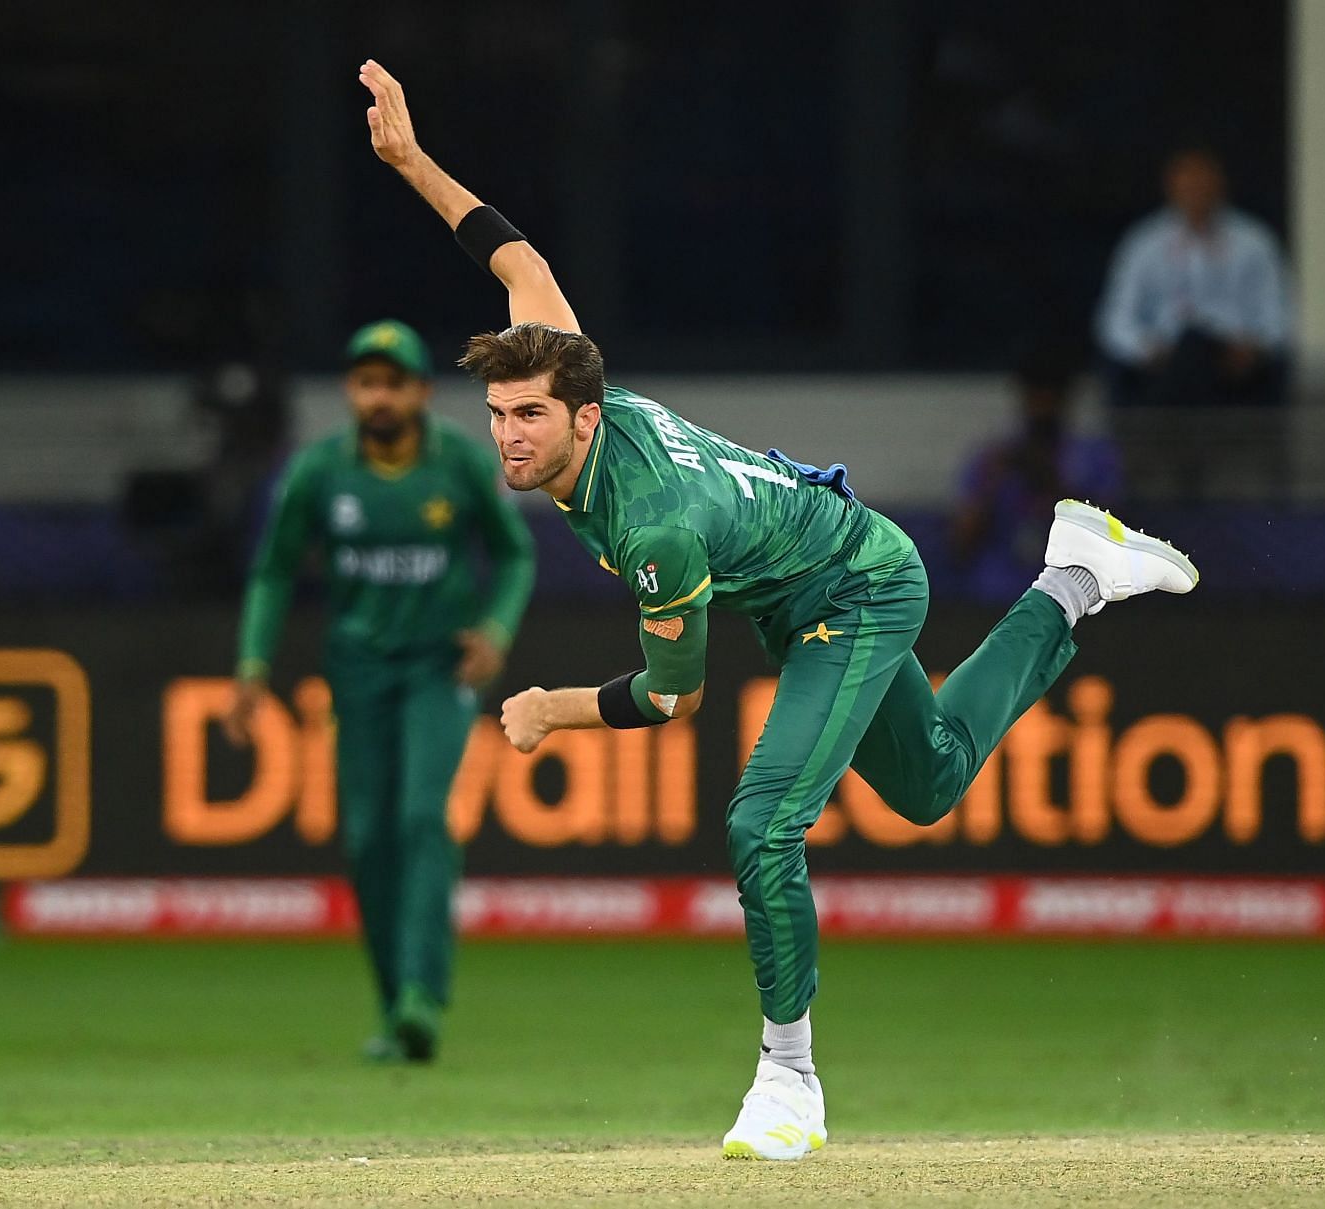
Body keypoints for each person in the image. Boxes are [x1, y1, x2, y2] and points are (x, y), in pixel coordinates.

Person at [361, 60, 1198, 1158]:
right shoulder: (571, 373)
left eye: (528, 416)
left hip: (856, 586)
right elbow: (515, 256)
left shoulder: (651, 528)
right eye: (497, 413)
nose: (508, 434)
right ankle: (1077, 574)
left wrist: (553, 709)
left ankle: (788, 1079)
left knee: (761, 825)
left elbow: (675, 695)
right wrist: (411, 160)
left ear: (583, 416)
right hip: (803, 583)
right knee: (934, 777)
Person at [223, 317, 535, 1064]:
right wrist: (251, 668)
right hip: (357, 671)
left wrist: (493, 630)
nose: (380, 396)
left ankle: (425, 997)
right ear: (350, 392)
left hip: (438, 668)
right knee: (366, 839)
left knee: (422, 816)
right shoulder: (319, 471)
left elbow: (515, 553)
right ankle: (396, 1005)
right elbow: (272, 570)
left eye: (393, 382)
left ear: (421, 391)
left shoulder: (459, 462)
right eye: (366, 383)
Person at [1095, 146, 1291, 408]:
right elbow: (1116, 320)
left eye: (1203, 184)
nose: (1196, 193)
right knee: (1188, 353)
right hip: (1165, 357)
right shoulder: (1144, 243)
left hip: (1232, 359)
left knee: (1198, 353)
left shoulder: (1254, 242)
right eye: (1188, 185)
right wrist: (1146, 349)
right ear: (1171, 188)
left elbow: (1278, 313)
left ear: (1220, 185)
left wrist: (1254, 348)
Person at [951, 351, 1122, 598]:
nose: (1042, 409)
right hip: (998, 595)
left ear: (1066, 399)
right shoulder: (993, 459)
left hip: (1069, 598)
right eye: (1035, 398)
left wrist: (1052, 483)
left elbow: (1117, 541)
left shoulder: (1094, 456)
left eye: (1052, 398)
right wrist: (992, 485)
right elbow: (959, 547)